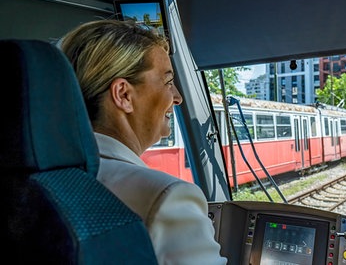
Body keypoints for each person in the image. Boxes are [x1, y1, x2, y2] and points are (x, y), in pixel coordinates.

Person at [60, 20, 227, 265]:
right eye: (168, 82)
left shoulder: (49, 178)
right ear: (124, 95)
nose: (178, 98)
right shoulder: (166, 198)